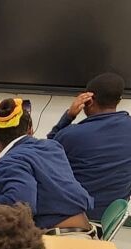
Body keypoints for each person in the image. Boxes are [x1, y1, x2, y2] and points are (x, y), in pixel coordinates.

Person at [0, 98, 93, 229]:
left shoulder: (10, 162)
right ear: (31, 130)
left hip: (57, 239)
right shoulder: (52, 146)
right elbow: (30, 175)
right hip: (85, 230)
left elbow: (20, 210)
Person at [46, 71, 131, 221]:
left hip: (74, 219)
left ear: (89, 100)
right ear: (118, 100)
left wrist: (68, 116)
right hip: (108, 219)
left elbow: (45, 153)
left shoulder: (72, 135)